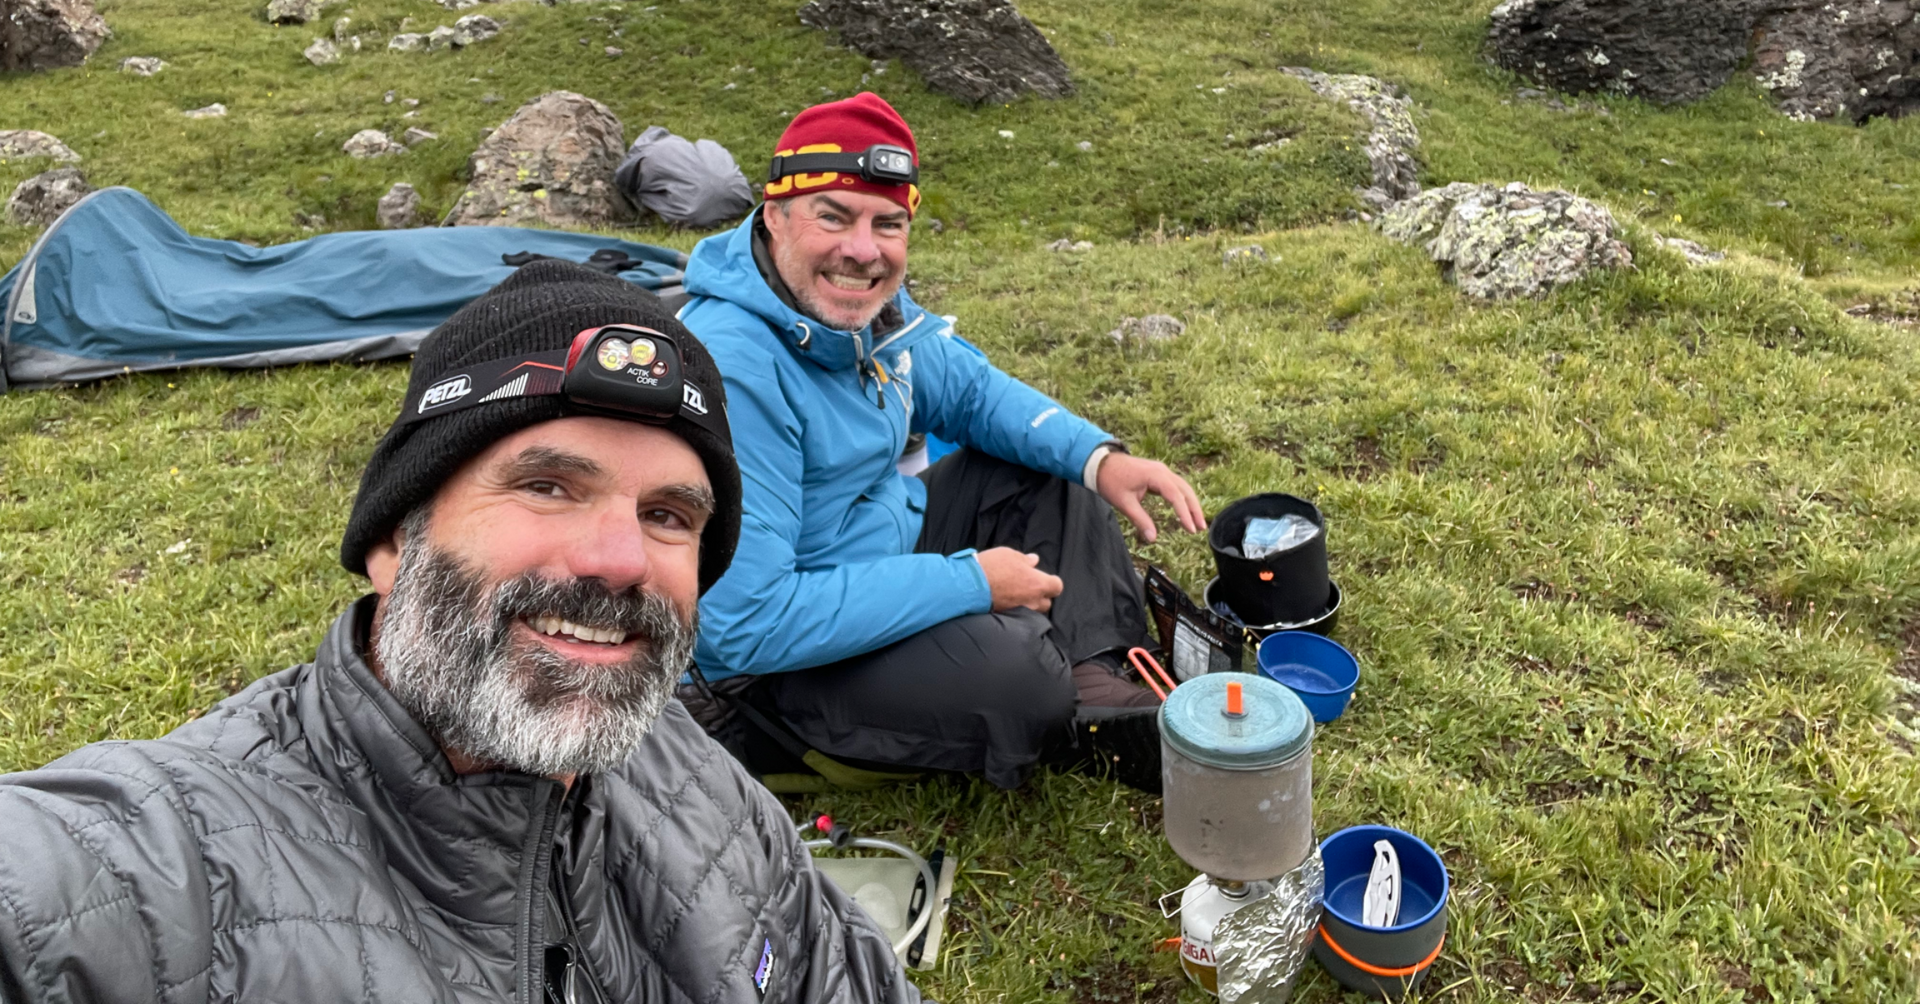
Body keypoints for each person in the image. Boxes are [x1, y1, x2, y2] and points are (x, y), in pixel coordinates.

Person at [0, 261, 919, 1004]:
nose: (621, 559)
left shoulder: (690, 770)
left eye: (670, 515)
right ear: (396, 540)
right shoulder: (158, 873)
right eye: (548, 485)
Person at [679, 93, 1206, 791]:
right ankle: (1052, 698)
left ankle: (1095, 681)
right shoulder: (737, 366)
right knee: (1017, 677)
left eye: (887, 223)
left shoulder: (864, 316)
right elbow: (746, 626)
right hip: (775, 671)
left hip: (873, 549)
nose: (862, 250)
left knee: (1051, 473)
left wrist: (1102, 458)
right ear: (774, 215)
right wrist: (970, 583)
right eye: (833, 216)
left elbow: (973, 395)